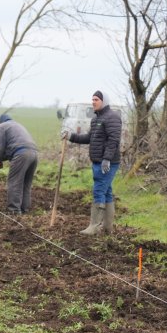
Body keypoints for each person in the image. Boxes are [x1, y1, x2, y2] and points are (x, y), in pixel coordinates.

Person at [64, 90, 122, 235]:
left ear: (104, 101)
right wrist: (71, 136)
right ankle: (108, 228)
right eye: (92, 99)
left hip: (107, 162)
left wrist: (107, 159)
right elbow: (88, 138)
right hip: (97, 161)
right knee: (107, 193)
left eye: (96, 99)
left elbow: (113, 140)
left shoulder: (112, 118)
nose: (93, 102)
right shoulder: (96, 119)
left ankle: (94, 227)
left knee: (99, 191)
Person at [0, 113, 39, 215]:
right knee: (26, 184)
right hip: (34, 154)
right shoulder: (18, 125)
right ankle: (24, 209)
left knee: (14, 182)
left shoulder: (0, 127)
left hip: (21, 154)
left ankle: (14, 210)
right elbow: (13, 148)